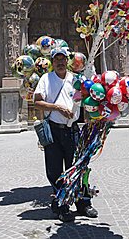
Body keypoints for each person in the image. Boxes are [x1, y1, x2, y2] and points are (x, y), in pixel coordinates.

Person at [34, 47, 98, 222]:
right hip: (54, 130)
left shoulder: (76, 79)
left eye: (63, 59)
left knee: (78, 167)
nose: (60, 62)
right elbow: (37, 102)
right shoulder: (46, 79)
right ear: (52, 62)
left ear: (67, 61)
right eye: (57, 60)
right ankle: (62, 205)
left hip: (73, 130)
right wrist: (57, 107)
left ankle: (83, 204)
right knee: (55, 171)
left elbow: (89, 97)